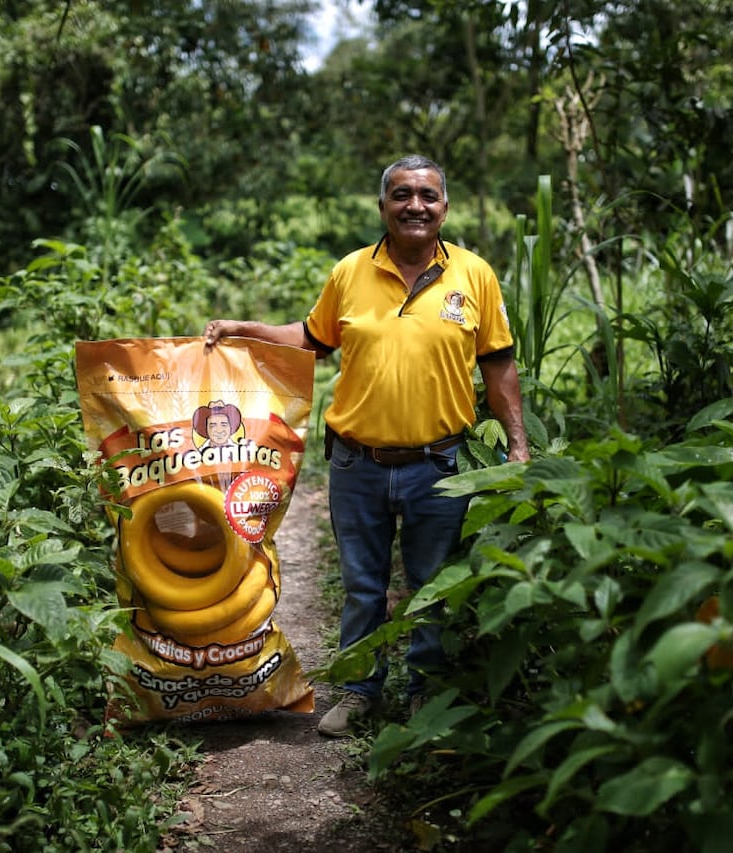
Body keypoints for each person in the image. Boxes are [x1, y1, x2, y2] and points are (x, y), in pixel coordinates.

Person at [203, 154, 530, 737]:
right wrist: (244, 328)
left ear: (444, 208)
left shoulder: (474, 275)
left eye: (427, 196)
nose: (415, 205)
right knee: (363, 586)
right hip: (358, 463)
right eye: (401, 194)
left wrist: (518, 444)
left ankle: (425, 693)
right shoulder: (350, 271)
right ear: (382, 207)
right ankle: (360, 692)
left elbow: (498, 363)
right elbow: (311, 340)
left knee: (435, 584)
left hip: (441, 463)